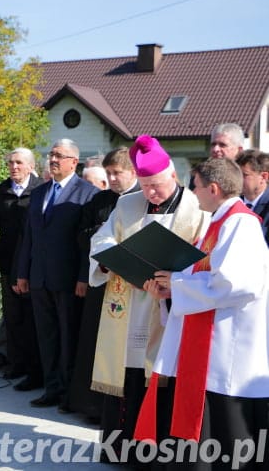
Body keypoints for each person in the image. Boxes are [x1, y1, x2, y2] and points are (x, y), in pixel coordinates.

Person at [136, 157, 269, 468]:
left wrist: (178, 283)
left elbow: (236, 284)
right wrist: (169, 289)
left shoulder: (241, 223)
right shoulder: (218, 223)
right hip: (210, 343)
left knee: (229, 432)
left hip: (228, 349)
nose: (192, 194)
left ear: (213, 188)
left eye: (194, 186)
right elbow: (203, 277)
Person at [88, 136, 209, 464]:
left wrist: (177, 280)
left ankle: (159, 453)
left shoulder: (196, 207)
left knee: (162, 375)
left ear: (172, 175)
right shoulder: (127, 203)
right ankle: (120, 449)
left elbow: (205, 254)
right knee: (127, 374)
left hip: (170, 305)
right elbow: (103, 239)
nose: (150, 194)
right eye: (144, 186)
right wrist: (106, 258)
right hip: (128, 302)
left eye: (155, 185)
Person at [13, 138, 98, 410]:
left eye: (59, 155)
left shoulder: (87, 193)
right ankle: (52, 388)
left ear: (74, 161)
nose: (53, 159)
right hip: (39, 278)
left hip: (69, 280)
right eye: (51, 154)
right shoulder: (39, 193)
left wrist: (84, 277)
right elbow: (29, 237)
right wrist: (23, 272)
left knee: (68, 337)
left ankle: (69, 394)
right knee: (46, 337)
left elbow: (88, 242)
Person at [68, 147, 139, 422]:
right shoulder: (100, 200)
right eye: (108, 173)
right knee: (94, 343)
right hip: (103, 280)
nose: (111, 179)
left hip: (131, 287)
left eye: (116, 173)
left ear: (132, 172)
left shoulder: (141, 199)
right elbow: (82, 237)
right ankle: (92, 404)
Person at [0, 148, 43, 387]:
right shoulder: (1, 192)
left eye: (19, 163)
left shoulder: (40, 191)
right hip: (8, 262)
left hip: (34, 264)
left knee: (33, 317)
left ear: (31, 166)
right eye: (11, 163)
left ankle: (36, 367)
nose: (14, 167)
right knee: (13, 316)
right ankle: (16, 363)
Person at [236, 149, 269, 245]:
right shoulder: (232, 203)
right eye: (237, 174)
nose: (238, 180)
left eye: (244, 175)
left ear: (264, 177)